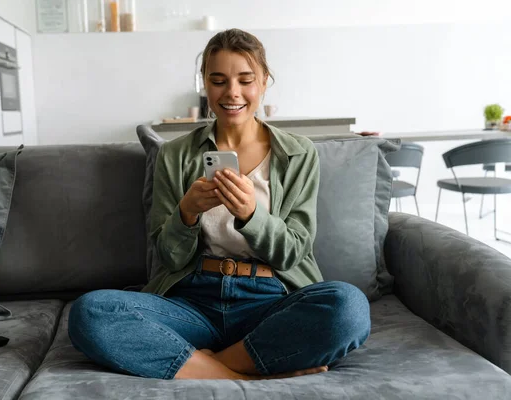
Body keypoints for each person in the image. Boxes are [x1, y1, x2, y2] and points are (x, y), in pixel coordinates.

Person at [68, 28, 370, 380]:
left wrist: (252, 215)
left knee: (347, 307)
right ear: (204, 84)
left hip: (270, 302)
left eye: (246, 80)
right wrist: (187, 212)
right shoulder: (175, 155)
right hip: (193, 302)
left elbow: (294, 251)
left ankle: (204, 364)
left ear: (264, 82)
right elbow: (169, 257)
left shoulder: (299, 153)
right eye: (218, 80)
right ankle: (246, 372)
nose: (233, 93)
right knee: (90, 311)